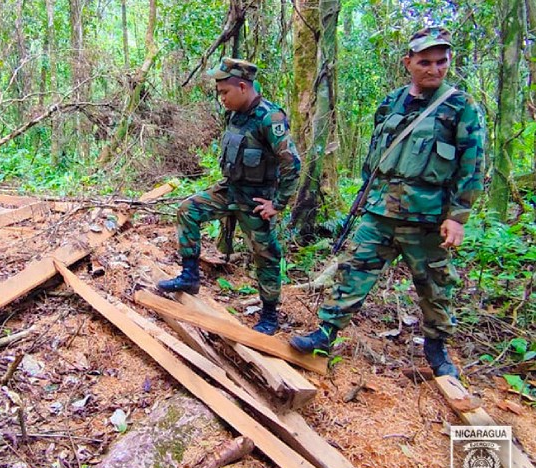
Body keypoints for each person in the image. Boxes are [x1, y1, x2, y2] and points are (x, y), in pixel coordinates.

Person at [289, 27, 486, 378]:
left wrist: (457, 216)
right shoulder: (390, 102)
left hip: (426, 217)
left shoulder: (461, 106)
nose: (434, 69)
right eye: (425, 61)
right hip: (379, 211)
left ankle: (437, 348)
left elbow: (472, 165)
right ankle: (325, 333)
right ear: (408, 62)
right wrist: (365, 195)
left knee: (435, 285)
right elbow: (375, 156)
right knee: (352, 270)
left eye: (442, 61)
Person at [157, 57, 301, 335]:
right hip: (229, 190)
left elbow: (291, 163)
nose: (221, 98)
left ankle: (269, 315)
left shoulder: (270, 118)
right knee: (188, 210)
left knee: (266, 255)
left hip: (256, 201)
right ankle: (189, 276)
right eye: (219, 92)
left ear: (244, 87)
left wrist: (278, 203)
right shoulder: (236, 114)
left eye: (225, 92)